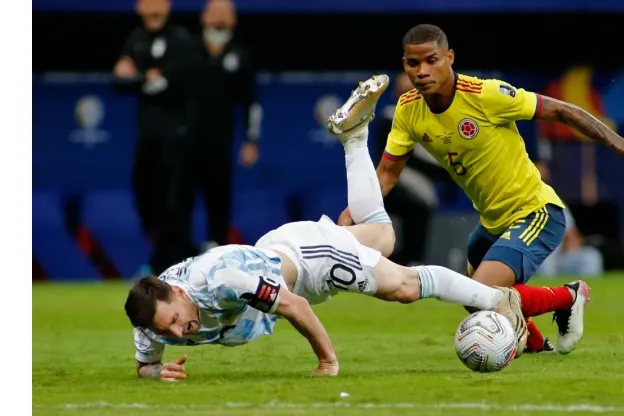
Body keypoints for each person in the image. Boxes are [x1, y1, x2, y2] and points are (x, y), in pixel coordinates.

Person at [124, 76, 530, 381]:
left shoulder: (221, 279)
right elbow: (145, 363)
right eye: (169, 329)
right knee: (382, 237)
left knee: (403, 287)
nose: (181, 330)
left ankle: (496, 299)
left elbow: (295, 307)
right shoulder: (153, 315)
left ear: (179, 292)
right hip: (279, 250)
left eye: (176, 319)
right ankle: (354, 138)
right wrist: (156, 373)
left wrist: (327, 361)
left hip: (307, 264)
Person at [336, 24, 624, 354]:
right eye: (414, 63)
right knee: (474, 301)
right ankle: (536, 346)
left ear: (450, 58)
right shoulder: (409, 110)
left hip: (536, 212)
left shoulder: (487, 95)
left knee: (480, 291)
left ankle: (568, 296)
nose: (422, 70)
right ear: (404, 66)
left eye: (432, 60)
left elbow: (563, 110)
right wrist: (356, 209)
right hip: (492, 223)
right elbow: (387, 175)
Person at [113, 0, 200, 274]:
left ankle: (171, 265)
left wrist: (139, 76)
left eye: (158, 4)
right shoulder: (135, 39)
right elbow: (118, 80)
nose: (153, 10)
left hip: (177, 136)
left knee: (174, 202)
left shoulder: (181, 40)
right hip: (147, 136)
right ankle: (178, 256)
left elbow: (173, 81)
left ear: (167, 6)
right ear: (139, 7)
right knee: (146, 196)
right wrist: (144, 77)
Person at [195, 0, 263, 250]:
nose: (220, 20)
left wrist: (251, 140)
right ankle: (173, 261)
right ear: (204, 18)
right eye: (215, 13)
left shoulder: (240, 55)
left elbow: (251, 103)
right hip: (183, 144)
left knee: (219, 203)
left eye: (226, 14)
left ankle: (216, 257)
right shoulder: (188, 51)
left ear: (234, 21)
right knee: (176, 204)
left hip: (219, 145)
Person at [372, 73, 447, 266]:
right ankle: (404, 260)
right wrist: (441, 171)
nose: (408, 95)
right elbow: (398, 157)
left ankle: (413, 259)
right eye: (403, 91)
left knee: (421, 203)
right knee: (415, 205)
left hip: (425, 182)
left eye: (412, 91)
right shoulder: (390, 116)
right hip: (394, 179)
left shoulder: (434, 117)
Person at [537, 205, 604, 278]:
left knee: (591, 256)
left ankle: (585, 287)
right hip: (535, 259)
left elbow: (572, 235)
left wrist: (572, 244)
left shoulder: (556, 206)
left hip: (559, 257)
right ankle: (547, 288)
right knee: (545, 262)